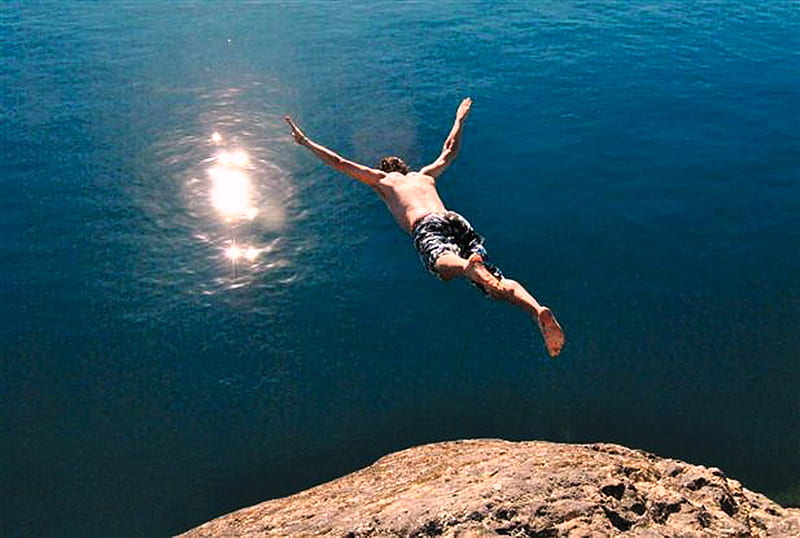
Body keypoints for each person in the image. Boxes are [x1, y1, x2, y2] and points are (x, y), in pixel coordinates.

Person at [285, 98, 564, 357]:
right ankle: (536, 308)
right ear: (406, 168)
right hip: (453, 219)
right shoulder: (424, 175)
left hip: (426, 224)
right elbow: (449, 150)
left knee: (441, 266)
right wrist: (460, 119)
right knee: (494, 284)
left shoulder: (384, 181)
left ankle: (467, 268)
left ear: (387, 170)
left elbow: (340, 162)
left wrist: (305, 142)